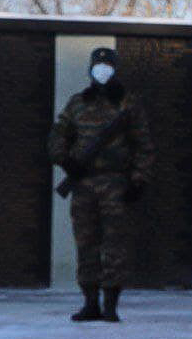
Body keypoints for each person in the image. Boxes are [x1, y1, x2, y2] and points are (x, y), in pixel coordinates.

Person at [47, 47, 154, 323]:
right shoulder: (77, 103)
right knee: (86, 244)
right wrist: (67, 162)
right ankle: (90, 302)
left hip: (116, 184)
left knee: (114, 245)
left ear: (115, 70)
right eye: (98, 67)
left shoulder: (128, 105)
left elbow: (144, 147)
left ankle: (110, 305)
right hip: (83, 184)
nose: (102, 71)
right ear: (90, 70)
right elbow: (57, 136)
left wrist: (138, 181)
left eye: (107, 67)